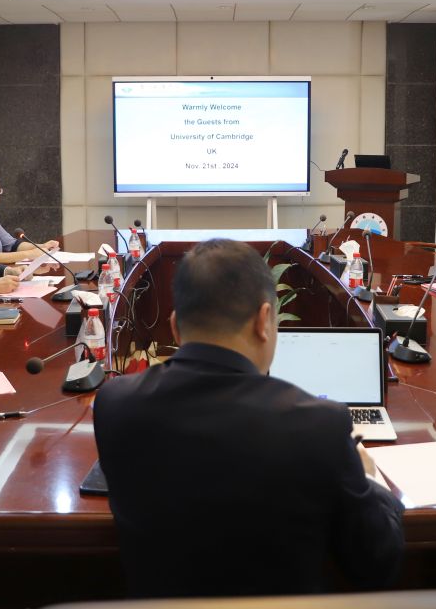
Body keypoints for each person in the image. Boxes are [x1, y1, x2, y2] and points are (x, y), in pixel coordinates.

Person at [93, 239, 404, 598]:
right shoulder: (320, 425)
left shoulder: (115, 404)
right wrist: (370, 479)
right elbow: (376, 565)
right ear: (264, 320)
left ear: (175, 327)